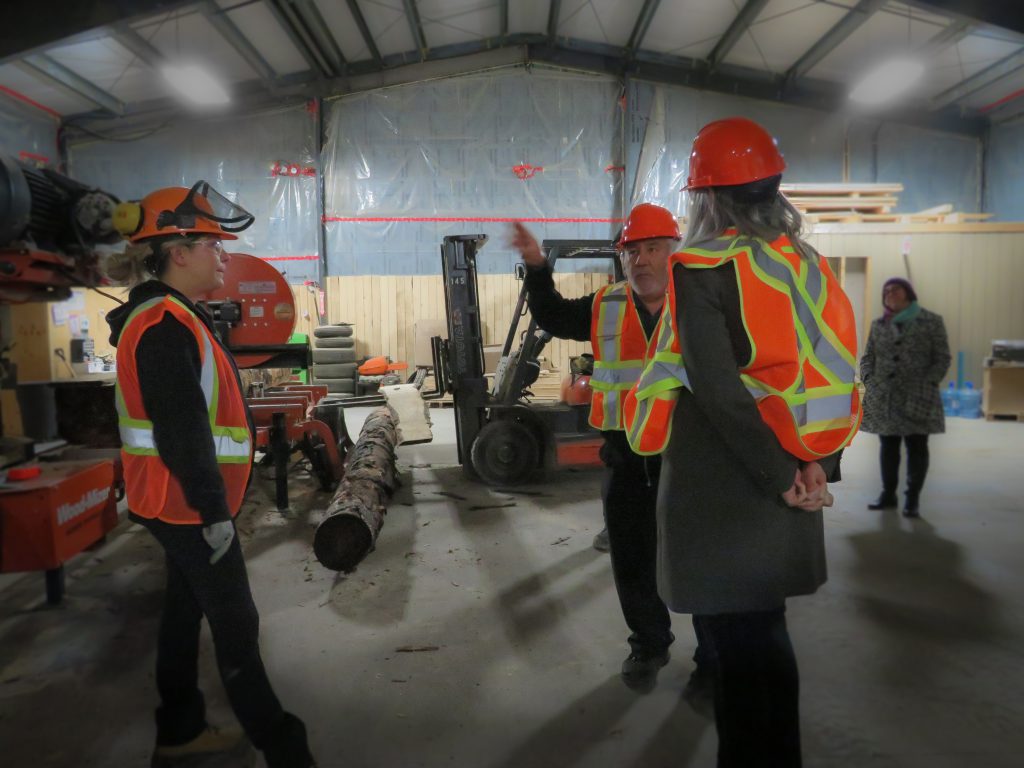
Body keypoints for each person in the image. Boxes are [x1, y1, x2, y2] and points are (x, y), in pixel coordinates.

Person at [625, 117, 861, 766]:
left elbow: (719, 392)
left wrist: (777, 474)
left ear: (705, 198)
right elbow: (827, 367)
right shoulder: (802, 264)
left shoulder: (701, 267)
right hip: (788, 469)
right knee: (765, 636)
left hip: (725, 489)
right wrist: (812, 461)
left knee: (734, 649)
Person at [107, 182, 316, 768]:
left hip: (172, 501)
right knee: (236, 621)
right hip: (186, 505)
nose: (225, 256)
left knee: (183, 610)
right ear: (178, 253)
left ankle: (178, 731)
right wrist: (213, 513)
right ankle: (285, 748)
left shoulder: (170, 316)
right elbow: (181, 435)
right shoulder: (164, 325)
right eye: (215, 247)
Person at [509, 206, 710, 697]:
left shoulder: (703, 303)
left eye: (653, 248)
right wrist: (537, 265)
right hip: (626, 459)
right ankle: (648, 643)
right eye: (632, 251)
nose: (641, 260)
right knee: (632, 557)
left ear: (674, 251)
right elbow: (553, 314)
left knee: (701, 560)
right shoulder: (607, 304)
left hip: (691, 459)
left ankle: (714, 659)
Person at [860, 277, 951, 517]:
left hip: (918, 398)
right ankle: (888, 494)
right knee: (888, 447)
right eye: (886, 291)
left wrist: (928, 382)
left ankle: (912, 499)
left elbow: (942, 357)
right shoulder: (879, 325)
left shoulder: (931, 321)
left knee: (917, 447)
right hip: (886, 397)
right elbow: (868, 357)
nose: (890, 294)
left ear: (908, 293)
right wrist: (869, 380)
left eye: (895, 289)